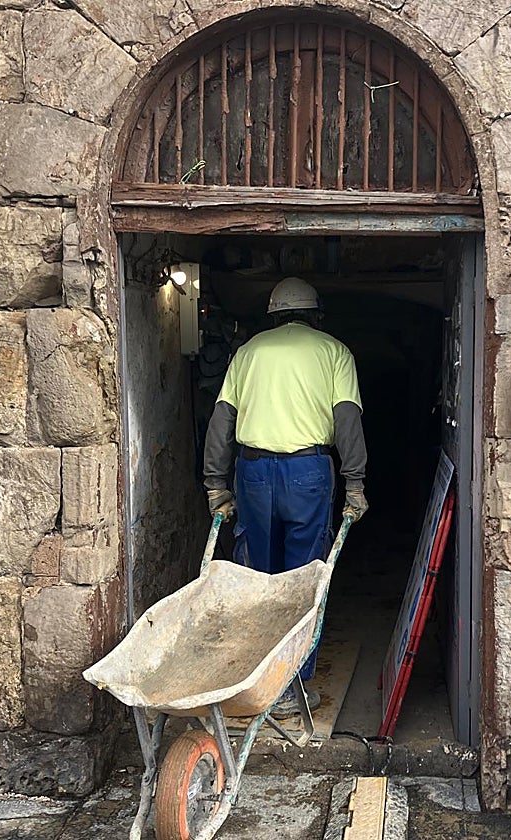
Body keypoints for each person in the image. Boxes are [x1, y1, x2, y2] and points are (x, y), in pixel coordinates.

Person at [202, 276, 369, 717]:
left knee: (257, 574)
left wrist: (215, 484)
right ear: (314, 315)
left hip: (252, 472)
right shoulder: (334, 352)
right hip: (307, 472)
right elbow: (347, 421)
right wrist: (355, 483)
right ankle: (290, 689)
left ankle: (251, 682)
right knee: (304, 578)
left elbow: (221, 423)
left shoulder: (248, 352)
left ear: (273, 315)